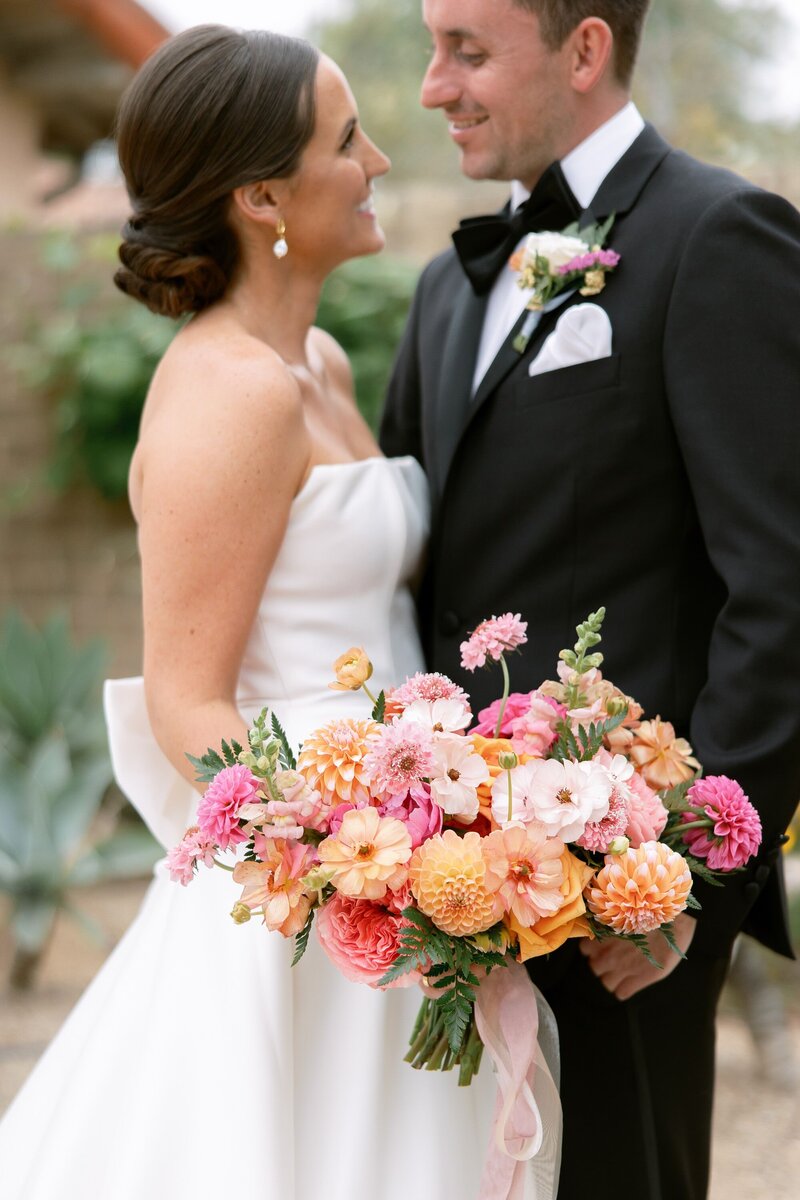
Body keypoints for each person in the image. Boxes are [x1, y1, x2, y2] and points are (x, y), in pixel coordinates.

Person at [0, 26, 492, 1200]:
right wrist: (364, 866)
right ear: (261, 193)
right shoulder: (226, 396)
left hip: (400, 856)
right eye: (345, 139)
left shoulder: (312, 360)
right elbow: (186, 702)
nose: (377, 159)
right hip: (315, 889)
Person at [380, 1, 800, 1197]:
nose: (430, 86)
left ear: (583, 48)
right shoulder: (439, 289)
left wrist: (680, 884)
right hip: (439, 894)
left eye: (465, 50)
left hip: (622, 903)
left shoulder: (720, 236)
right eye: (429, 47)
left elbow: (778, 588)